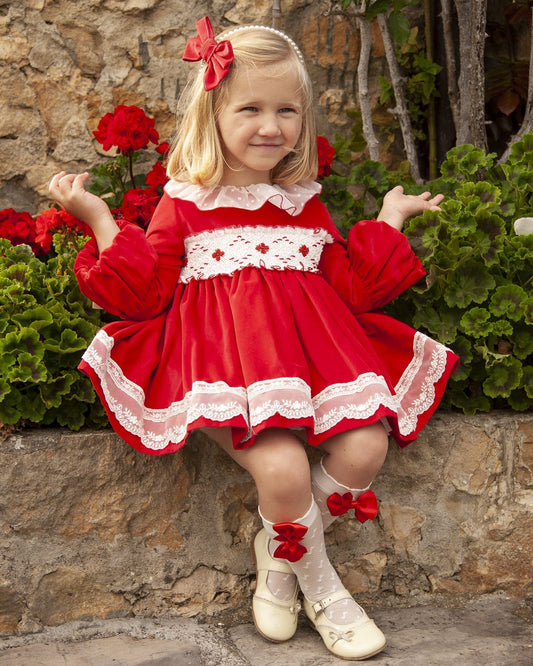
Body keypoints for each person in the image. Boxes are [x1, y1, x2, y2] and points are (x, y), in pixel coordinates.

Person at [49, 16, 459, 661]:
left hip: (314, 363)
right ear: (212, 114)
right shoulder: (186, 201)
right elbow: (145, 294)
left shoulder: (303, 201)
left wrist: (389, 217)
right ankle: (324, 589)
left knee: (365, 447)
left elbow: (351, 286)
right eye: (250, 109)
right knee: (283, 467)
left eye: (287, 111)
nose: (271, 127)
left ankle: (280, 544)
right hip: (222, 370)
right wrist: (100, 219)